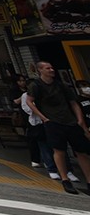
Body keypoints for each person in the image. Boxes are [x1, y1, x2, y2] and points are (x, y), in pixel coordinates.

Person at [26, 61, 90, 194]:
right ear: (40, 71)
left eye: (51, 67)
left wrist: (79, 120)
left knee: (82, 152)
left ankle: (89, 180)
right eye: (47, 68)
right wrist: (43, 118)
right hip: (53, 122)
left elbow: (73, 103)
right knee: (59, 151)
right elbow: (29, 101)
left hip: (71, 122)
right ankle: (65, 179)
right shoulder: (36, 85)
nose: (51, 70)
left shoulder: (61, 85)